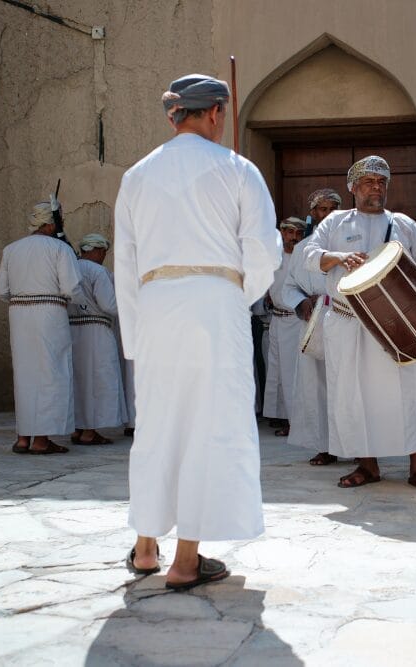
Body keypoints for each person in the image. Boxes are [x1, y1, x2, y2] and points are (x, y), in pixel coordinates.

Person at [114, 73, 281, 590]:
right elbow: (263, 252)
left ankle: (146, 547)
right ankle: (186, 560)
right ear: (214, 113)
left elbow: (126, 263)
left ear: (176, 115)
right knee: (209, 425)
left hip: (156, 306)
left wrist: (136, 336)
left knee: (158, 424)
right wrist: (235, 295)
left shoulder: (137, 175)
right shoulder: (239, 169)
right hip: (215, 304)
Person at [302, 156, 416, 493]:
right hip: (349, 322)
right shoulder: (335, 222)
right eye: (368, 181)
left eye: (381, 182)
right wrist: (339, 258)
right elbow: (309, 255)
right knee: (354, 394)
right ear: (353, 188)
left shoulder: (404, 224)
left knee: (415, 392)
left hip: (400, 325)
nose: (376, 187)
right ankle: (366, 466)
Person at [0, 198, 81, 455]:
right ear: (50, 222)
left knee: (25, 375)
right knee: (50, 373)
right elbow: (71, 287)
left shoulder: (11, 249)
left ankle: (23, 438)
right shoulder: (60, 249)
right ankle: (42, 440)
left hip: (19, 316)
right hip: (50, 314)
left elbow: (1, 290)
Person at [281, 188, 342, 465]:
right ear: (313, 213)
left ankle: (356, 447)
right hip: (314, 318)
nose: (327, 214)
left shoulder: (350, 243)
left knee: (347, 384)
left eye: (333, 209)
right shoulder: (303, 248)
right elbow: (289, 287)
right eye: (322, 209)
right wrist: (301, 303)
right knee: (315, 385)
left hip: (346, 317)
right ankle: (324, 445)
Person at [68, 233, 128, 445]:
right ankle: (90, 432)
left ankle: (77, 428)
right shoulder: (99, 271)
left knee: (78, 380)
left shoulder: (71, 266)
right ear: (98, 250)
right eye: (104, 252)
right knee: (98, 381)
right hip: (96, 332)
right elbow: (109, 305)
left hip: (72, 330)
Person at [262, 217, 308, 436]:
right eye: (289, 232)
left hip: (294, 319)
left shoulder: (303, 258)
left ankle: (295, 421)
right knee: (277, 368)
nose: (294, 237)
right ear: (281, 233)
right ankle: (279, 415)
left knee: (291, 371)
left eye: (298, 232)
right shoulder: (274, 257)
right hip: (275, 319)